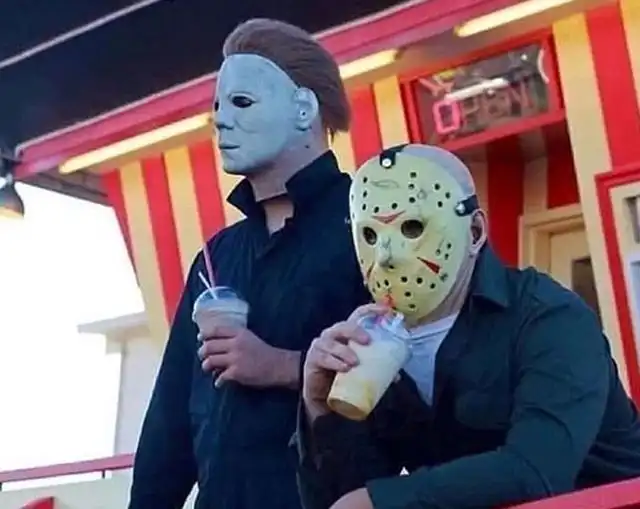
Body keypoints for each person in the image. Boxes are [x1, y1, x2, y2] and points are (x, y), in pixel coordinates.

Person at [297, 144, 640, 509]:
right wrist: (320, 411)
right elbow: (342, 497)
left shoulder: (549, 318)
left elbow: (537, 471)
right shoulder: (371, 343)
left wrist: (381, 501)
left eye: (412, 227)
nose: (386, 256)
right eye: (370, 235)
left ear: (474, 231)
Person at [128, 19, 370, 509]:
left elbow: (423, 376)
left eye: (241, 102)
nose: (220, 121)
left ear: (304, 108)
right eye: (217, 107)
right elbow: (168, 429)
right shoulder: (215, 259)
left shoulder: (374, 229)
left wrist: (282, 366)